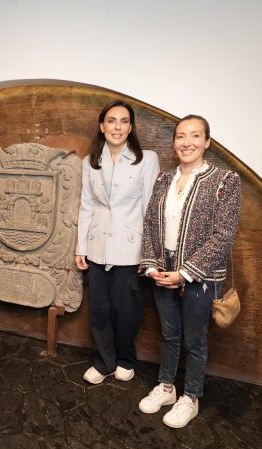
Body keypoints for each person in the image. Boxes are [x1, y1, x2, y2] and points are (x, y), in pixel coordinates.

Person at [138, 115, 241, 428]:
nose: (187, 143)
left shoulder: (225, 181)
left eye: (195, 136)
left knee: (195, 341)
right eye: (181, 136)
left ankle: (190, 397)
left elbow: (223, 235)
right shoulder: (163, 180)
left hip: (201, 277)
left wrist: (184, 272)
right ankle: (167, 387)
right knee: (168, 334)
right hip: (162, 272)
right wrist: (152, 265)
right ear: (174, 143)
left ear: (207, 142)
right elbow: (151, 225)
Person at [75, 100, 159, 384]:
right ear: (102, 126)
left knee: (127, 311)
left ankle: (125, 359)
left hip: (130, 248)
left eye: (124, 121)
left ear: (131, 127)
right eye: (111, 121)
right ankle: (104, 362)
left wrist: (150, 255)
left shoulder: (146, 159)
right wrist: (81, 248)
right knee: (99, 309)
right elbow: (86, 206)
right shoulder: (90, 162)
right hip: (97, 246)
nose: (117, 127)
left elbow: (150, 209)